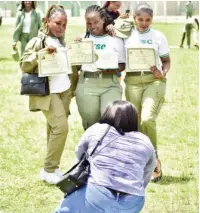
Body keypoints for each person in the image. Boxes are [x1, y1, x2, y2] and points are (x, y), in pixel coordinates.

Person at [54, 100, 156, 213]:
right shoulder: (145, 140)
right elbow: (148, 171)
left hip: (97, 194)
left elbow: (79, 153)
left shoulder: (97, 129)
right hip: (134, 202)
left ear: (108, 113)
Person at [20, 5, 72, 184]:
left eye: (64, 24)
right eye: (58, 23)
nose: (61, 27)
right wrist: (39, 54)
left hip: (63, 92)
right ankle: (49, 169)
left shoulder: (61, 40)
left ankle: (53, 168)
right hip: (47, 93)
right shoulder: (37, 41)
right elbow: (24, 65)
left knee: (53, 129)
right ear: (47, 22)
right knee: (61, 128)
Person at [124, 3, 171, 182]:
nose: (144, 23)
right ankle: (138, 164)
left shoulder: (158, 36)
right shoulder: (126, 35)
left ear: (152, 19)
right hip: (132, 82)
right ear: (134, 18)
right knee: (135, 125)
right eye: (140, 19)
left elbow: (166, 61)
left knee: (147, 119)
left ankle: (154, 161)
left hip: (154, 81)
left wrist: (163, 73)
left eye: (148, 20)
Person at [75, 5, 125, 130]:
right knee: (91, 126)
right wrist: (75, 50)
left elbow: (122, 64)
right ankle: (91, 150)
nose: (92, 26)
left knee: (110, 123)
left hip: (110, 84)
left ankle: (109, 149)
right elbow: (76, 66)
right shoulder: (82, 39)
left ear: (103, 19)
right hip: (87, 84)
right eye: (89, 23)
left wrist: (114, 70)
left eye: (96, 22)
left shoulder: (115, 38)